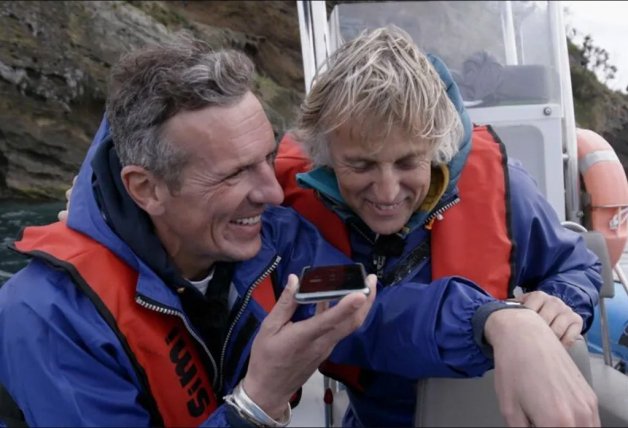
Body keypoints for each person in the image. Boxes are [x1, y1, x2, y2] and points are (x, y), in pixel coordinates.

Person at [36, 34, 597, 427]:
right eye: (360, 165)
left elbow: (369, 313)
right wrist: (259, 402)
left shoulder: (270, 235)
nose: (273, 193)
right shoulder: (52, 318)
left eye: (407, 162)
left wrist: (501, 320)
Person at [274, 26, 602, 427]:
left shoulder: (505, 187)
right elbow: (359, 318)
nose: (387, 190)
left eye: (408, 162)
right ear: (325, 155)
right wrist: (494, 320)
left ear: (437, 147)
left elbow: (575, 265)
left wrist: (558, 303)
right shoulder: (296, 215)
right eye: (361, 165)